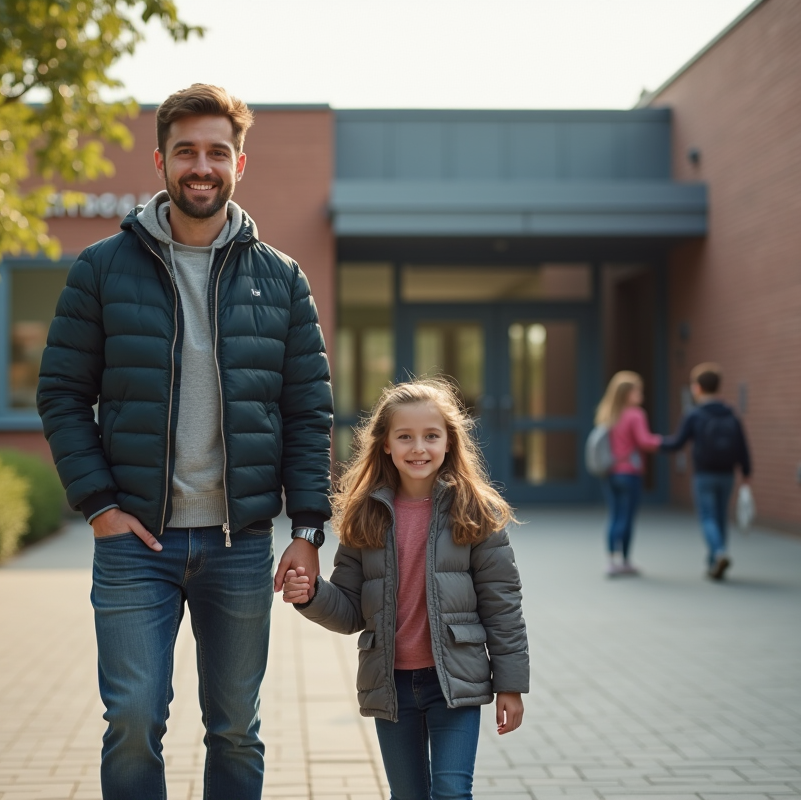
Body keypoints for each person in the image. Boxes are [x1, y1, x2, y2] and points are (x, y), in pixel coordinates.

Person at [36, 84, 333, 799]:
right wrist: (101, 506)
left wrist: (310, 529)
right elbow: (62, 395)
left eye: (217, 153)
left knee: (235, 727)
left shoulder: (282, 279)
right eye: (187, 152)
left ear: (240, 163)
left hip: (239, 546)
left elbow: (308, 411)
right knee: (134, 720)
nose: (202, 166)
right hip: (137, 543)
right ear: (161, 160)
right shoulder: (102, 269)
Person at [282, 379, 529, 800]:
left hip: (455, 682)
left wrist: (511, 685)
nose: (419, 448)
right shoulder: (366, 516)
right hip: (391, 683)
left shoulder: (476, 512)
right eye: (405, 437)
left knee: (451, 791)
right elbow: (349, 610)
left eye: (431, 436)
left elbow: (503, 607)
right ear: (386, 445)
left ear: (450, 442)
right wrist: (310, 595)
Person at [660, 362, 752, 581]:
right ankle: (714, 562)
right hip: (727, 474)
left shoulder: (694, 414)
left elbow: (677, 443)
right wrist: (747, 472)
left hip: (704, 474)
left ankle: (718, 553)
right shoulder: (731, 413)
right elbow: (742, 445)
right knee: (720, 517)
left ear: (696, 388)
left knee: (708, 517)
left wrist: (654, 443)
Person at [594, 371, 661, 577]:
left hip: (610, 473)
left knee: (614, 515)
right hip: (630, 473)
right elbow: (644, 441)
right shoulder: (636, 414)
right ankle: (624, 560)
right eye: (637, 390)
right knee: (627, 517)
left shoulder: (607, 413)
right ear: (627, 393)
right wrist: (664, 442)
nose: (641, 394)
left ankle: (611, 560)